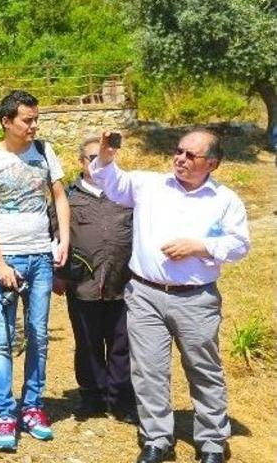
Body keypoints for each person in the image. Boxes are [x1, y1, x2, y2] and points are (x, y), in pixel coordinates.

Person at [90, 130, 250, 463]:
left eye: (191, 156)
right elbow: (110, 182)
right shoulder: (149, 185)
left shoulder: (225, 200)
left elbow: (239, 246)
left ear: (213, 163)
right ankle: (157, 439)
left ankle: (211, 441)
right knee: (148, 371)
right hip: (145, 294)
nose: (180, 159)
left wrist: (200, 246)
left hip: (196, 299)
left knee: (203, 369)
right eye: (179, 151)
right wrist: (105, 157)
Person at [0, 90, 70, 451]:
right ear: (6, 121)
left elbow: (59, 197)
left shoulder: (44, 152)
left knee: (38, 336)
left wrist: (63, 241)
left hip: (41, 257)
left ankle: (33, 407)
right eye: (27, 119)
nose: (33, 125)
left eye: (35, 119)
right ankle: (4, 413)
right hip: (7, 260)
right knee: (1, 340)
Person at [54, 137, 136, 423]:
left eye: (103, 158)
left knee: (122, 344)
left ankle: (121, 399)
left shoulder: (125, 194)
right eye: (91, 157)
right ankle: (92, 396)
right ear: (81, 162)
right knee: (87, 342)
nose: (97, 163)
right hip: (82, 284)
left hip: (122, 283)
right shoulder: (68, 196)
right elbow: (55, 235)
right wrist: (58, 275)